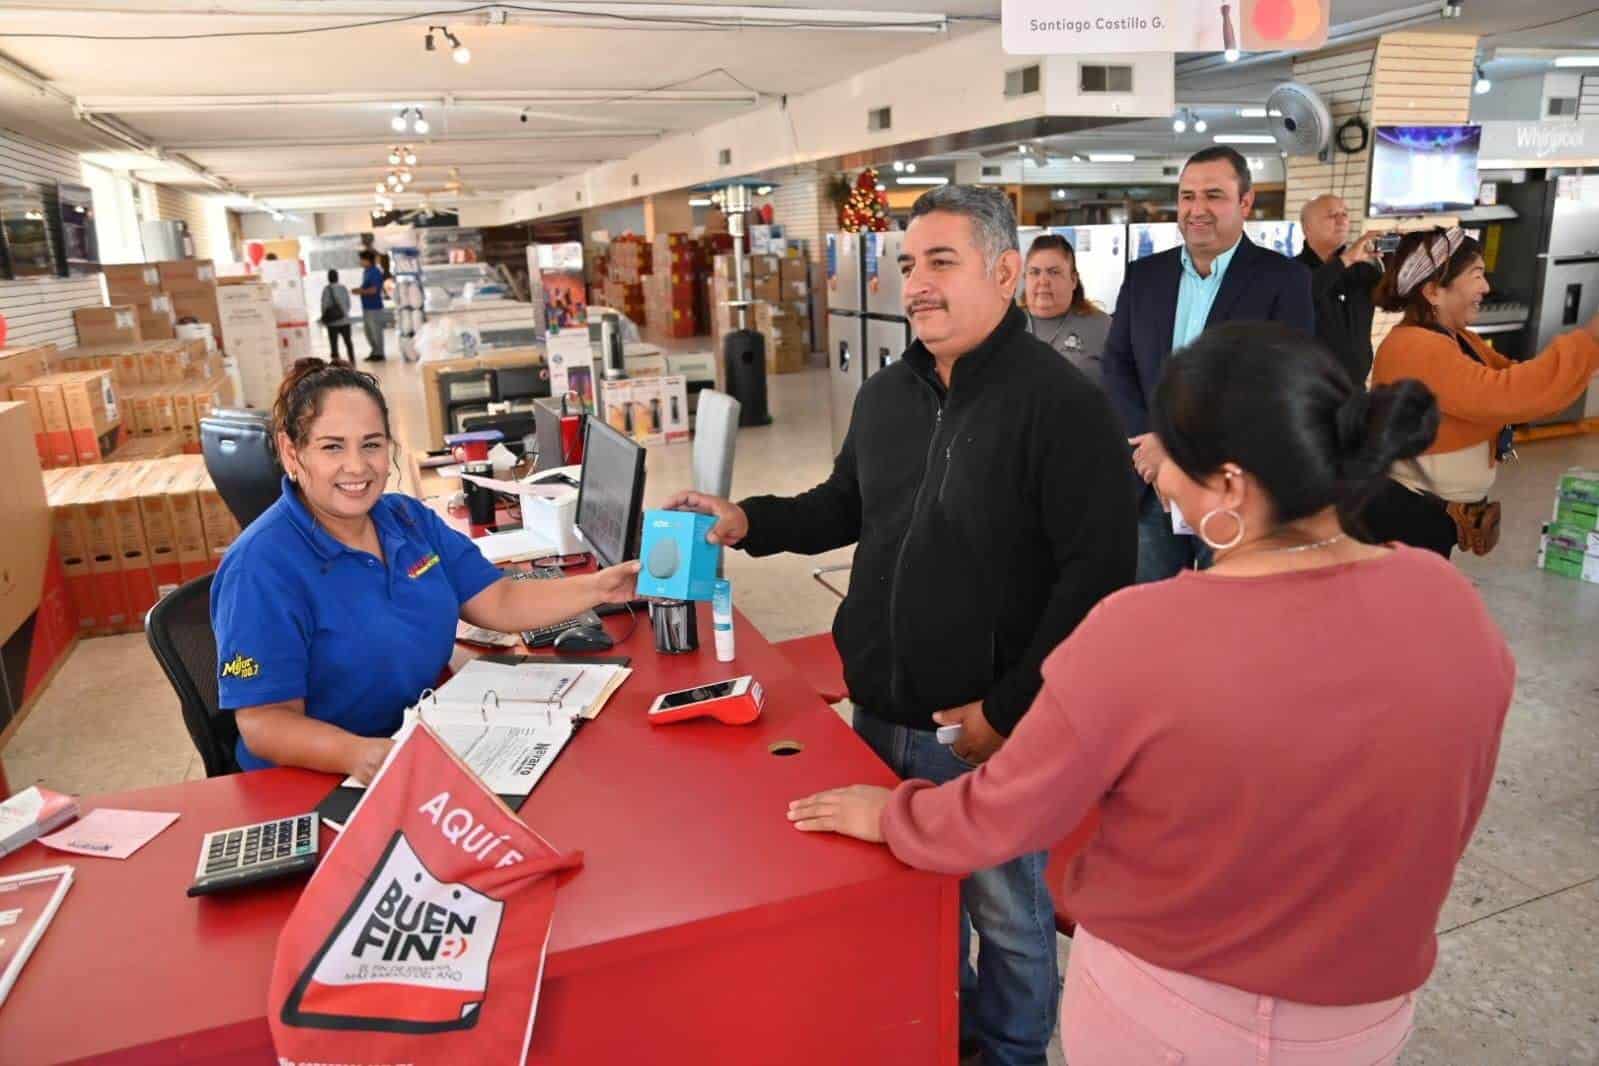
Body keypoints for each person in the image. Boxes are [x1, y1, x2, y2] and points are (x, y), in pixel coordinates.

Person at [788, 322, 1515, 1066]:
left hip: (1175, 1013)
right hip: (1363, 1020)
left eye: (1167, 451)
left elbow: (1004, 811)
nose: (1153, 470)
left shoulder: (1145, 631)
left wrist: (895, 814)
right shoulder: (1445, 601)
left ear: (1230, 485)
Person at [666, 185, 1138, 1066]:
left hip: (983, 732)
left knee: (1010, 920)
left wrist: (1005, 711)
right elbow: (844, 504)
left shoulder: (1062, 405)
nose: (916, 284)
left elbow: (1098, 580)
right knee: (910, 905)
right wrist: (747, 521)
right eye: (909, 265)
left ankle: (1011, 1052)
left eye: (941, 262)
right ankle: (936, 1035)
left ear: (1003, 272)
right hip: (877, 710)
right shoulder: (887, 395)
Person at [210, 359, 639, 780]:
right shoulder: (259, 568)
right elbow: (264, 723)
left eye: (372, 444)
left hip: (418, 743)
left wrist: (600, 587)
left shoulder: (405, 519)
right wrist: (359, 754)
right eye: (332, 446)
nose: (357, 466)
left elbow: (500, 600)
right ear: (291, 451)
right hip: (317, 780)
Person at [1102, 145, 1315, 583]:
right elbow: (1117, 365)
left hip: (1235, 486)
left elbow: (1281, 383)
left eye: (1213, 195)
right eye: (1187, 196)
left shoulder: (1284, 280)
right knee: (1153, 619)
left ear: (1245, 202)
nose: (1196, 209)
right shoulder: (1144, 277)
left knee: (1232, 621)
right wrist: (1155, 450)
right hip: (1151, 484)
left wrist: (1178, 449)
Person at [1362, 226, 1599, 557]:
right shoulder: (1415, 346)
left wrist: (1587, 356)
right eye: (1476, 275)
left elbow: (1524, 388)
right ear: (1433, 291)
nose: (1485, 287)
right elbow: (1508, 394)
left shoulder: (1458, 338)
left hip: (1428, 516)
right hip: (1408, 517)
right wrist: (1588, 342)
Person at [1297, 195, 1384, 387]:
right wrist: (1345, 260)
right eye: (1332, 215)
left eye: (1345, 214)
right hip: (1309, 392)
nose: (1342, 220)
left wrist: (1397, 263)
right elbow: (1301, 294)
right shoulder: (1291, 270)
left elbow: (1394, 298)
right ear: (1307, 227)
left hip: (1356, 390)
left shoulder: (1363, 269)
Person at [1021, 234, 1111, 385]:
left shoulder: (1102, 326)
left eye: (1054, 272)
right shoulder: (1003, 324)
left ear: (1073, 280)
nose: (1043, 281)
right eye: (1034, 272)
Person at [354, 249, 387, 362]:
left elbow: (374, 290)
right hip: (366, 307)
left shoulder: (375, 272)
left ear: (368, 260)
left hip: (374, 307)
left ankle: (380, 354)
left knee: (376, 331)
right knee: (368, 332)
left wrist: (360, 291)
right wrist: (360, 290)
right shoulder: (366, 272)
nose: (360, 262)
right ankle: (374, 352)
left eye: (362, 260)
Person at [319, 269, 354, 363]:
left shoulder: (327, 289)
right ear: (337, 277)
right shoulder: (343, 288)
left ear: (328, 278)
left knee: (334, 344)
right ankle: (352, 361)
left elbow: (324, 305)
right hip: (345, 320)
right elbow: (348, 304)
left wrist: (325, 317)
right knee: (348, 342)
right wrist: (344, 313)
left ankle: (336, 363)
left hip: (332, 323)